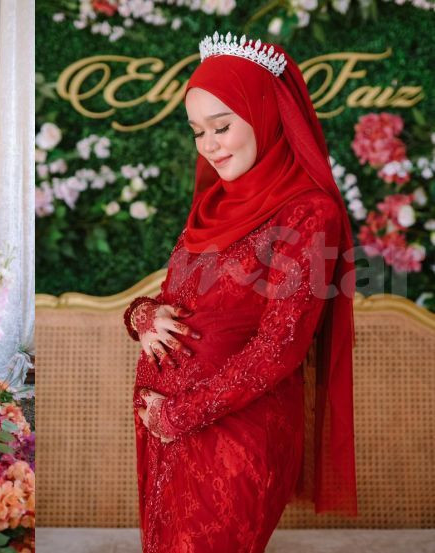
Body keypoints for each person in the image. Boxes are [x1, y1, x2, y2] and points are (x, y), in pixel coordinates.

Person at [121, 33, 358, 552]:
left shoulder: (309, 213)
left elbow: (280, 347)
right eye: (197, 131)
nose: (209, 145)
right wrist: (143, 315)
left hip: (233, 435)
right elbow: (177, 299)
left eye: (222, 126)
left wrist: (179, 415)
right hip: (163, 432)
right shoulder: (213, 205)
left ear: (265, 114)